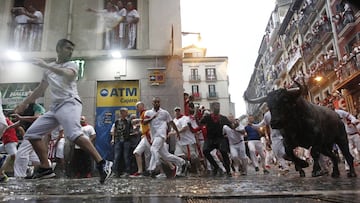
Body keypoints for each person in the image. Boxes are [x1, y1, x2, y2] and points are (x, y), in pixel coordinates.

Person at [14, 38, 111, 183]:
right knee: (32, 133)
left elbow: (68, 74)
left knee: (73, 134)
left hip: (70, 103)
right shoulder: (48, 70)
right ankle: (46, 168)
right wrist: (23, 103)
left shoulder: (71, 65)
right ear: (58, 49)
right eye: (67, 48)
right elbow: (39, 90)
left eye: (72, 49)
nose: (70, 51)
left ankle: (102, 163)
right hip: (55, 108)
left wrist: (46, 65)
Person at [143, 97, 186, 178]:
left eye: (158, 102)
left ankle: (154, 168)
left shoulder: (164, 112)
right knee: (166, 155)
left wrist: (177, 132)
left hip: (161, 134)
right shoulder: (148, 113)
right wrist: (152, 118)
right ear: (152, 103)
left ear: (160, 103)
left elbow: (171, 122)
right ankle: (182, 162)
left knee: (153, 149)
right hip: (154, 136)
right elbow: (144, 122)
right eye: (155, 102)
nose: (156, 103)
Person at [200, 102, 236, 177]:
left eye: (218, 106)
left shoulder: (223, 118)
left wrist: (235, 125)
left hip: (220, 138)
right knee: (205, 151)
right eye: (215, 106)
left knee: (224, 152)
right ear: (212, 108)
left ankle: (228, 170)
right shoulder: (207, 117)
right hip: (210, 138)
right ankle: (215, 166)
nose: (217, 108)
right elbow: (200, 123)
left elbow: (232, 126)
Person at [110, 107, 133, 177]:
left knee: (126, 156)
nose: (127, 113)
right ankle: (114, 171)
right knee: (116, 156)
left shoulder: (128, 121)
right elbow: (114, 130)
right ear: (122, 113)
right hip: (118, 140)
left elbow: (131, 130)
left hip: (126, 140)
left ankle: (127, 171)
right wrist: (113, 139)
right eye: (125, 112)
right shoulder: (117, 122)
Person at [130, 101, 151, 177]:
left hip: (148, 136)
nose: (137, 108)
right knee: (137, 152)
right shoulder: (142, 114)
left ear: (142, 106)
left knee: (151, 154)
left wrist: (138, 121)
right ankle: (141, 171)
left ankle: (149, 170)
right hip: (144, 136)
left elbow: (147, 121)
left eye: (137, 107)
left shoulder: (146, 113)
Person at [0, 114, 19, 182]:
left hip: (10, 141)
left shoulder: (3, 121)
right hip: (8, 142)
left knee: (14, 156)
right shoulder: (6, 120)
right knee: (13, 156)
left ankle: (26, 169)